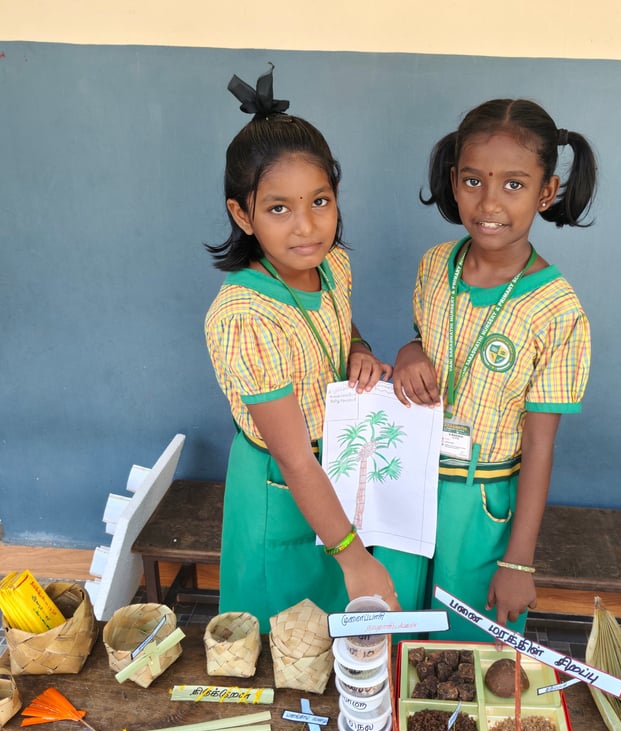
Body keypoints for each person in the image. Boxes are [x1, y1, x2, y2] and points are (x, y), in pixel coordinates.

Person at [385, 98, 595, 641]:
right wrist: (409, 352)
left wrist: (519, 562)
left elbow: (541, 446)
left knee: (464, 645)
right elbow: (426, 338)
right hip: (407, 482)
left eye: (514, 184)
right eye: (473, 181)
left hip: (481, 502)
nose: (489, 202)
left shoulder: (557, 311)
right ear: (454, 181)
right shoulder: (436, 265)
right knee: (393, 624)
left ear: (546, 192)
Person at [204, 65, 399, 626]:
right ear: (242, 214)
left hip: (335, 471)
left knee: (336, 634)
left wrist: (358, 348)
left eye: (320, 201)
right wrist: (354, 557)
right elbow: (292, 456)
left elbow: (340, 326)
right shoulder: (246, 316)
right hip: (280, 486)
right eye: (278, 208)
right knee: (281, 636)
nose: (307, 227)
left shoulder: (332, 265)